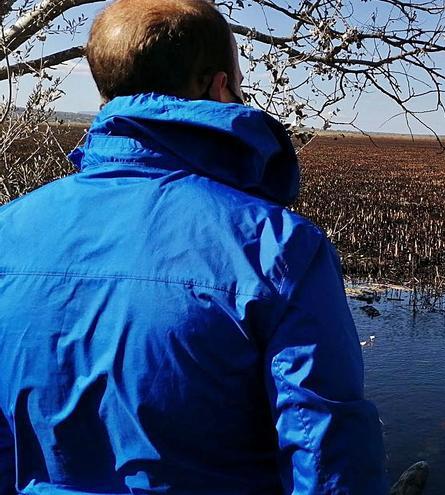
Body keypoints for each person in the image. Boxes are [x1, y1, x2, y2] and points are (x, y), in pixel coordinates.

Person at [0, 0, 387, 493]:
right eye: (240, 85)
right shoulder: (278, 247)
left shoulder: (6, 232)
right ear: (219, 87)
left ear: (105, 88)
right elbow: (328, 454)